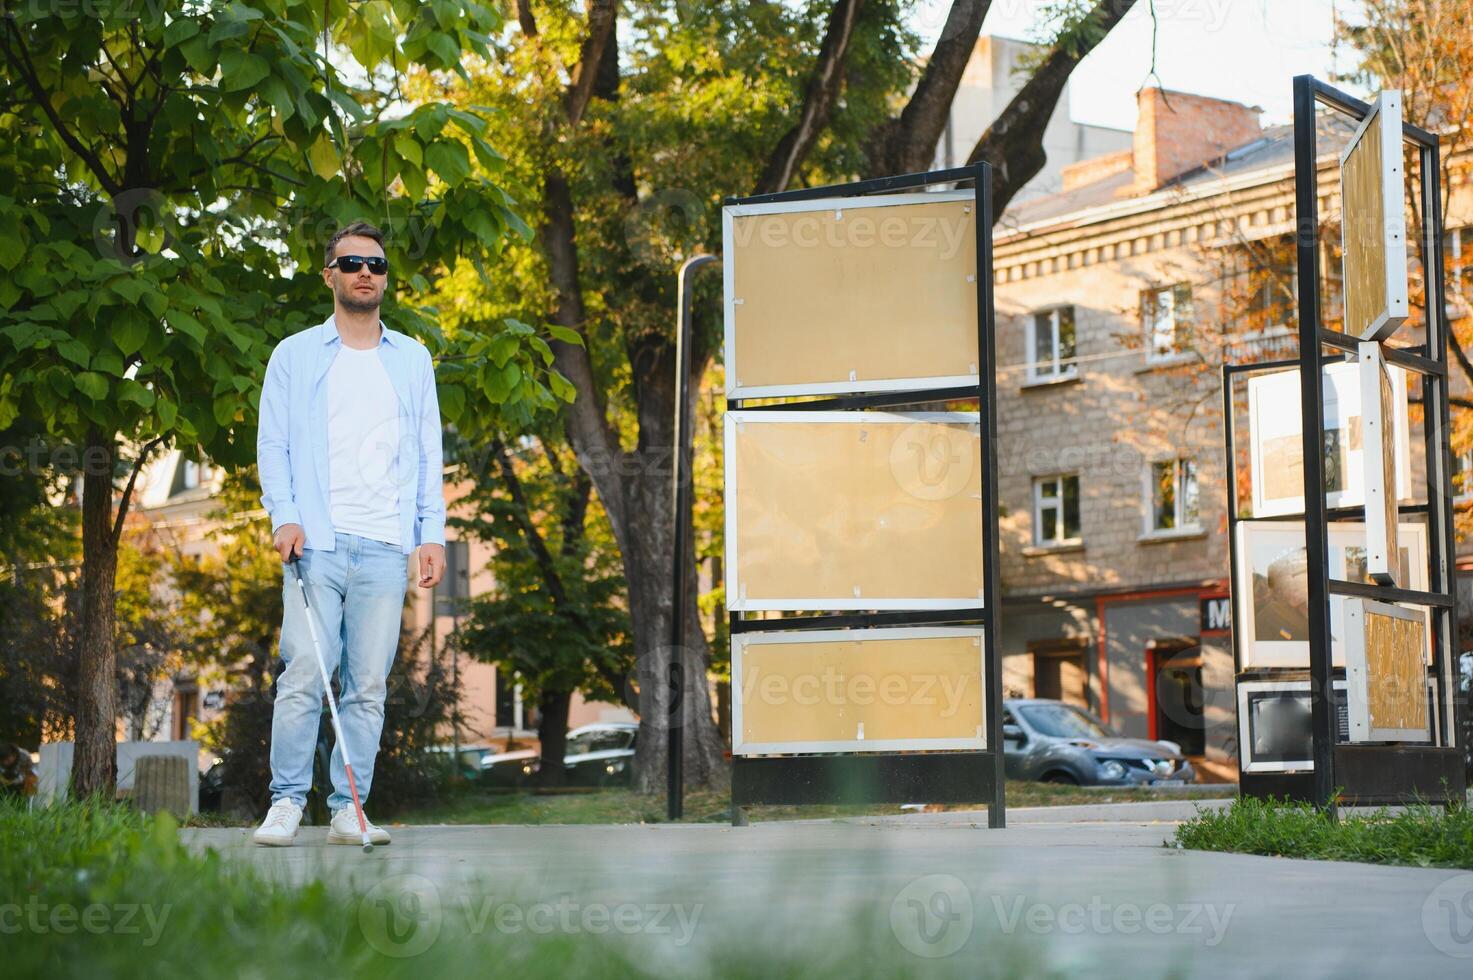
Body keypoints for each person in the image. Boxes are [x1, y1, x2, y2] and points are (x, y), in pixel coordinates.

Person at [252, 221, 445, 846]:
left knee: (366, 686)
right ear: (329, 274)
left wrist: (431, 533)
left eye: (377, 265)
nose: (366, 272)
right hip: (318, 545)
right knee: (306, 669)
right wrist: (283, 515)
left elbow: (426, 450)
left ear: (385, 278)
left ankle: (348, 808)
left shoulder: (413, 359)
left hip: (387, 546)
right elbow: (273, 445)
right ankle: (285, 801)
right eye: (353, 262)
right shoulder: (294, 354)